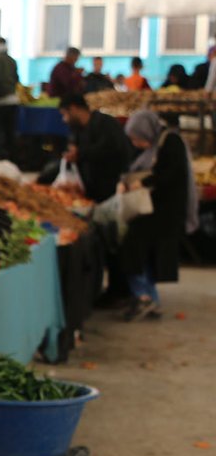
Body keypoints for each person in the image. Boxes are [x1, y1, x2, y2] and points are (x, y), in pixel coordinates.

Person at [119, 109, 199, 320]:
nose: (135, 143)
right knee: (145, 254)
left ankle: (144, 296)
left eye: (137, 138)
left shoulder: (171, 142)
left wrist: (144, 182)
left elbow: (171, 174)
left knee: (135, 248)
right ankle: (150, 299)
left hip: (163, 211)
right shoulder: (151, 145)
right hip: (151, 209)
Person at [57, 95, 133, 203]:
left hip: (110, 186)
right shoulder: (76, 127)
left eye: (65, 114)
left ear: (73, 109)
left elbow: (108, 149)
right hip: (89, 188)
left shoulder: (106, 123)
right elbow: (73, 144)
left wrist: (79, 154)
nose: (64, 119)